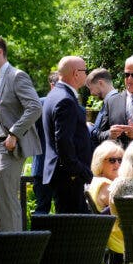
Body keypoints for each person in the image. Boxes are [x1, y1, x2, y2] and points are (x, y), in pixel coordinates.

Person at [0, 35, 42, 231]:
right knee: (2, 202)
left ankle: (16, 253)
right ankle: (13, 250)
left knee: (6, 202)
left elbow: (35, 107)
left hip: (8, 147)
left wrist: (14, 133)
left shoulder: (16, 76)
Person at [42, 56, 93, 214]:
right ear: (76, 73)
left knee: (68, 225)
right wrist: (80, 171)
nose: (87, 75)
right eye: (85, 71)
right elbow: (63, 142)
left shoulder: (54, 95)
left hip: (62, 175)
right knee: (75, 229)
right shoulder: (65, 100)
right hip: (69, 177)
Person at [88, 140, 125, 264]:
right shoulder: (105, 184)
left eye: (120, 160)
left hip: (113, 231)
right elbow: (123, 207)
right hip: (117, 234)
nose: (117, 164)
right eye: (112, 160)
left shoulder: (102, 181)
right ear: (100, 163)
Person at [31, 71, 58, 214]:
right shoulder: (39, 104)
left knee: (45, 208)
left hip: (49, 165)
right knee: (42, 208)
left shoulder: (40, 103)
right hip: (42, 164)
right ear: (52, 86)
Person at [86, 68, 118, 148]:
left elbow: (114, 133)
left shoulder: (114, 102)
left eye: (91, 88)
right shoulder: (110, 101)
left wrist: (89, 129)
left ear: (100, 83)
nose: (91, 93)